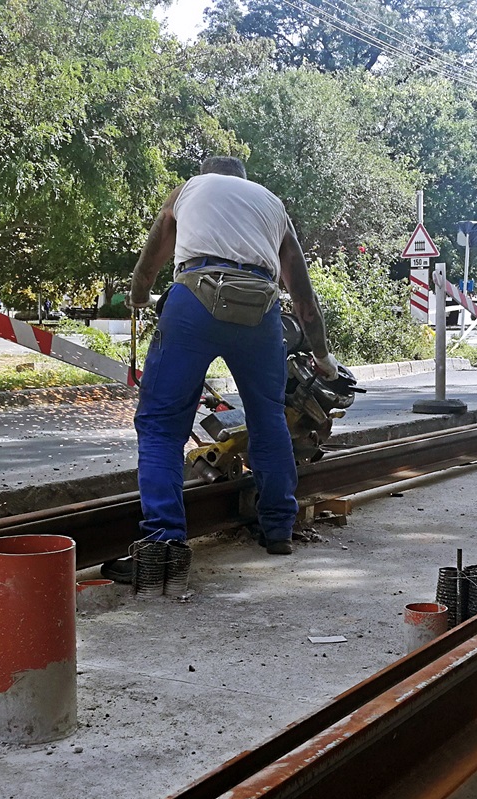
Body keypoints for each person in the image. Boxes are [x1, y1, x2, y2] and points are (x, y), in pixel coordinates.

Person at [114, 156, 341, 594]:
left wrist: (139, 296)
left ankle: (163, 542)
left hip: (194, 299)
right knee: (268, 416)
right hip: (260, 307)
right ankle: (277, 529)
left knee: (161, 426)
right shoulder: (272, 205)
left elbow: (151, 258)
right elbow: (303, 297)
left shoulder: (189, 190)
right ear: (243, 180)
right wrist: (323, 356)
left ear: (207, 173)